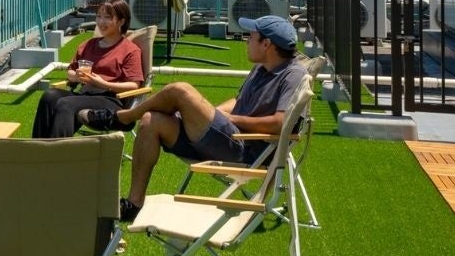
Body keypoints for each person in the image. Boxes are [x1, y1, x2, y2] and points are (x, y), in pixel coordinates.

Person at [83, 14, 308, 221]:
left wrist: (229, 119)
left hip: (245, 149)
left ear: (266, 44)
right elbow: (238, 101)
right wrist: (209, 113)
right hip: (225, 138)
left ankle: (123, 117)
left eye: (251, 36)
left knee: (180, 90)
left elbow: (280, 124)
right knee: (151, 120)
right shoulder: (261, 67)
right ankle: (134, 204)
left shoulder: (294, 75)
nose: (246, 41)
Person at [31, 0, 144, 138]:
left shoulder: (130, 50)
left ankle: (58, 150)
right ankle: (37, 147)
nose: (101, 22)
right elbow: (70, 71)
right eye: (99, 16)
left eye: (107, 17)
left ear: (121, 21)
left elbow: (134, 85)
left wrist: (103, 83)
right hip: (85, 94)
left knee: (66, 104)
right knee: (49, 96)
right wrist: (77, 77)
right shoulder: (88, 45)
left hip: (110, 99)